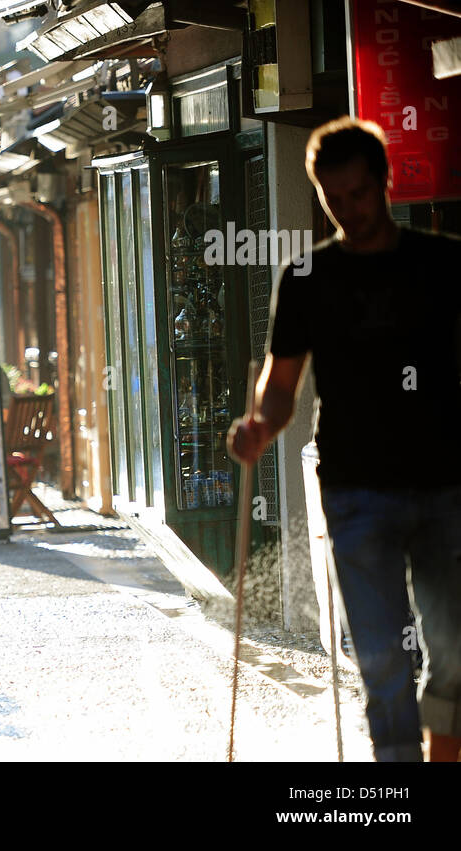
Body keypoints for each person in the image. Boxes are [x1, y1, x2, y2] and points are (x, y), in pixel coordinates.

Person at [227, 117, 461, 762]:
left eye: (357, 194)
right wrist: (261, 426)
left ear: (384, 182)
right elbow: (282, 384)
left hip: (446, 482)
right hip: (356, 487)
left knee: (457, 647)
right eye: (332, 198)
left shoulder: (442, 264)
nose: (347, 211)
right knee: (384, 654)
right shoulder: (306, 277)